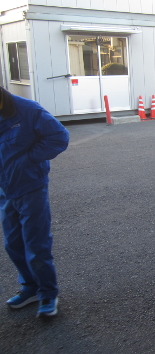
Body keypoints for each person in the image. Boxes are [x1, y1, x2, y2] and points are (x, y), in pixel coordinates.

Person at [0, 86, 69, 317]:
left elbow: (59, 137)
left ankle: (48, 294)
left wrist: (28, 160)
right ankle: (30, 289)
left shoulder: (26, 110)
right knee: (13, 243)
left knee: (36, 244)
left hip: (31, 186)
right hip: (5, 190)